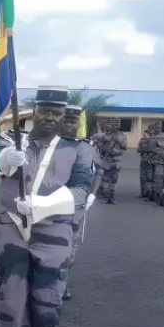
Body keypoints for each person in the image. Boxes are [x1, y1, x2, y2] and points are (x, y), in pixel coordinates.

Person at [0, 86, 93, 327]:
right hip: (14, 229)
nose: (50, 117)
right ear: (33, 111)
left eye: (56, 112)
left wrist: (42, 205)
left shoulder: (77, 148)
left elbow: (82, 190)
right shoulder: (12, 140)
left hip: (54, 232)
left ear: (64, 116)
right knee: (12, 295)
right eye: (44, 110)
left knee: (48, 298)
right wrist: (7, 158)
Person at [59, 105, 98, 301]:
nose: (68, 124)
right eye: (65, 120)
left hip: (75, 207)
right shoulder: (47, 145)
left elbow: (99, 170)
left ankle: (61, 285)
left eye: (72, 121)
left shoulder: (87, 146)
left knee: (68, 249)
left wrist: (93, 195)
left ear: (78, 124)